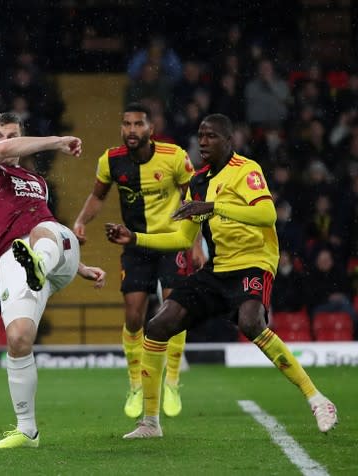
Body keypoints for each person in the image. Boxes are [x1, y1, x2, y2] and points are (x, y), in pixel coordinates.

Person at [105, 114, 338, 438]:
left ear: (229, 141)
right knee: (158, 325)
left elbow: (266, 213)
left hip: (253, 262)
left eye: (211, 136)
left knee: (251, 321)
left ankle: (318, 399)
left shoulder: (247, 169)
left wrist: (215, 207)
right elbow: (183, 239)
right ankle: (150, 423)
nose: (202, 142)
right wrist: (135, 237)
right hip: (219, 267)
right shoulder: (198, 182)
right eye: (200, 135)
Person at [0, 112, 107, 449]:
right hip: (12, 258)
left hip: (51, 246)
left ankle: (39, 265)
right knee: (19, 339)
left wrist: (80, 267)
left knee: (43, 229)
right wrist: (57, 141)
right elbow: (2, 152)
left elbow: (47, 226)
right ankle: (27, 431)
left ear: (21, 139)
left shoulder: (37, 182)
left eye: (11, 135)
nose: (4, 141)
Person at [73, 102, 198, 419]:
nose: (131, 130)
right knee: (132, 316)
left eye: (138, 124)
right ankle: (135, 384)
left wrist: (195, 241)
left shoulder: (174, 157)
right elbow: (98, 195)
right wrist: (80, 221)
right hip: (134, 244)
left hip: (171, 242)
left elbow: (193, 197)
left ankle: (171, 380)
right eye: (126, 124)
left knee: (175, 311)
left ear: (150, 129)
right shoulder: (111, 160)